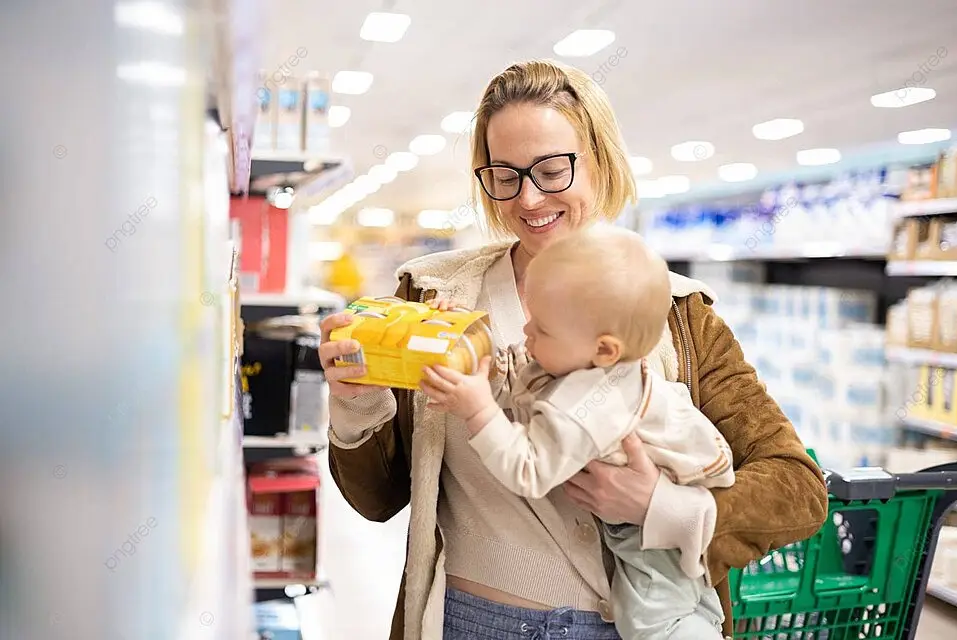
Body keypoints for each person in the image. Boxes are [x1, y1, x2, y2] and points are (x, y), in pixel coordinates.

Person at [319, 58, 828, 640]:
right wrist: (356, 400)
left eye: (551, 169)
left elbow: (798, 489)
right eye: (505, 174)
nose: (529, 199)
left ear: (600, 159)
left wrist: (658, 506)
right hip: (471, 623)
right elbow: (379, 499)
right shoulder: (435, 296)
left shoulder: (676, 313)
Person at [418, 226, 735, 639]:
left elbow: (528, 470)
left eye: (542, 329)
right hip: (653, 522)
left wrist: (477, 408)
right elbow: (521, 386)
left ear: (605, 349)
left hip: (656, 546)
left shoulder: (591, 405)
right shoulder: (588, 364)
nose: (526, 333)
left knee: (656, 621)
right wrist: (463, 340)